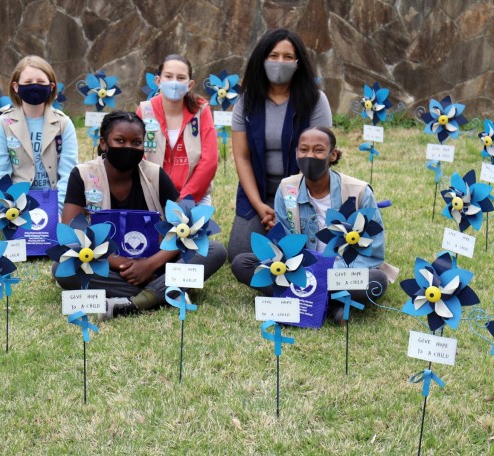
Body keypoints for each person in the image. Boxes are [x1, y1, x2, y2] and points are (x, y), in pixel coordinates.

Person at [58, 111, 227, 319]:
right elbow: (71, 233)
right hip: (107, 263)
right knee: (64, 266)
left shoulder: (154, 174)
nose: (128, 147)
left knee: (214, 249)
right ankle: (167, 291)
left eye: (136, 142)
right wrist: (123, 265)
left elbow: (189, 227)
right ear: (103, 143)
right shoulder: (83, 175)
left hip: (156, 263)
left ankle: (139, 301)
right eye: (119, 141)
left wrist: (149, 265)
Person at [231, 127, 395, 324]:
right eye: (303, 150)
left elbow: (374, 251)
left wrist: (326, 272)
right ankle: (332, 304)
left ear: (332, 155)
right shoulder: (286, 188)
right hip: (300, 271)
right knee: (243, 263)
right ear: (296, 154)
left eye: (318, 150)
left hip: (340, 273)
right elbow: (284, 243)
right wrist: (298, 269)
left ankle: (304, 301)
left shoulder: (359, 192)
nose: (310, 156)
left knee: (377, 279)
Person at [228, 28, 333, 261]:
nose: (280, 62)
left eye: (288, 57)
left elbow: (318, 156)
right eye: (273, 56)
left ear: (298, 63)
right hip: (259, 193)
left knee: (304, 253)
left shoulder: (315, 100)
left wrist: (289, 207)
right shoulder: (246, 101)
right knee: (239, 253)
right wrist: (258, 205)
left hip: (304, 194)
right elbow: (242, 157)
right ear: (262, 59)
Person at [0, 55, 78, 212]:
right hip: (16, 207)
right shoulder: (3, 124)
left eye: (41, 82)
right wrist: (12, 210)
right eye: (28, 82)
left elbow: (68, 175)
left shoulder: (64, 124)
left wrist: (57, 211)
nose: (34, 87)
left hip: (54, 202)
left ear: (51, 86)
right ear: (16, 87)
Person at [136, 54, 218, 205]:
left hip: (194, 198)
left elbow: (210, 160)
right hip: (152, 196)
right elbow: (137, 157)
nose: (174, 83)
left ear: (190, 84)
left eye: (181, 78)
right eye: (168, 76)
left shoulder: (201, 110)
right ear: (158, 81)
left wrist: (185, 199)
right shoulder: (144, 110)